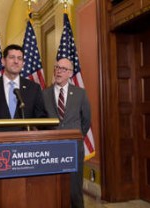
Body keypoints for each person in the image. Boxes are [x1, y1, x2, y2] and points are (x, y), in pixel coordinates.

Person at [42, 57, 91, 208]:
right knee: (53, 189)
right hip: (51, 148)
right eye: (57, 67)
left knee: (74, 191)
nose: (58, 71)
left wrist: (76, 137)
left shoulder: (80, 93)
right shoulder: (45, 94)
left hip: (74, 148)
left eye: (63, 69)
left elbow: (86, 120)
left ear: (70, 73)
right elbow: (41, 120)